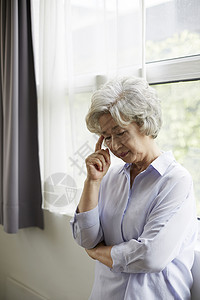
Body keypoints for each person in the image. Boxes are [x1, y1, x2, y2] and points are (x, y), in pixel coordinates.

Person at [70, 76, 197, 300]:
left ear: (144, 122)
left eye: (120, 133)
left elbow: (152, 257)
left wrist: (99, 253)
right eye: (107, 137)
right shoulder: (109, 178)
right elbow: (86, 239)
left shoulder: (176, 181)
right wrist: (92, 182)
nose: (114, 146)